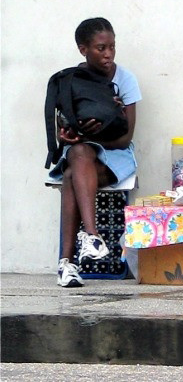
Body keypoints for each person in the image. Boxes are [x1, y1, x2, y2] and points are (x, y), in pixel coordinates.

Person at [48, 17, 142, 287]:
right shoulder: (70, 81)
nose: (109, 54)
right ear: (83, 49)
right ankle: (90, 237)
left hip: (115, 155)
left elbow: (126, 138)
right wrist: (70, 136)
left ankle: (67, 263)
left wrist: (101, 129)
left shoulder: (125, 79)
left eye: (112, 47)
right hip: (82, 154)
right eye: (101, 48)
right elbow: (61, 134)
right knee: (77, 154)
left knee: (71, 175)